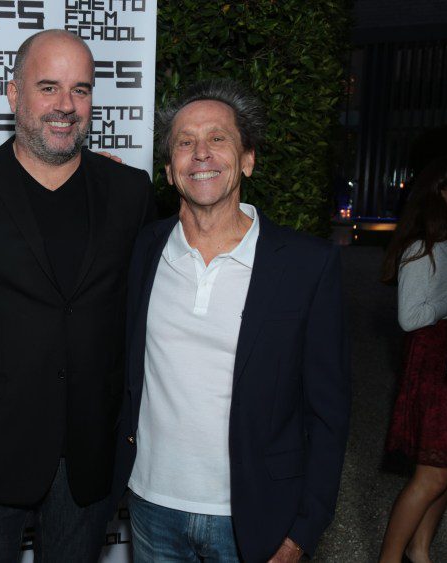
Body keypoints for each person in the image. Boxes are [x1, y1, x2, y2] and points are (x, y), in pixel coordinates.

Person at [0, 29, 154, 561]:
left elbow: (143, 312)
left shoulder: (129, 191)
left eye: (81, 90)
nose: (66, 106)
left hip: (90, 455)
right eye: (48, 87)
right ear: (13, 94)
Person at [112, 79, 351, 562]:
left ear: (247, 159)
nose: (201, 153)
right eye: (185, 142)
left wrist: (303, 532)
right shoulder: (143, 250)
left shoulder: (306, 264)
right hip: (152, 505)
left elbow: (329, 414)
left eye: (218, 138)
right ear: (168, 169)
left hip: (256, 515)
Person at [379, 156, 447, 563]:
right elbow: (410, 317)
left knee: (444, 473)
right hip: (431, 369)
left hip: (442, 364)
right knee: (432, 474)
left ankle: (420, 552)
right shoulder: (423, 248)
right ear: (437, 192)